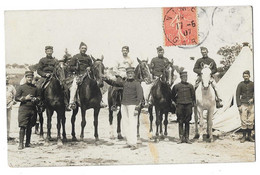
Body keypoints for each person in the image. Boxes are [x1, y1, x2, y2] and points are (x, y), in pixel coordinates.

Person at [102, 67, 143, 150]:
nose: (130, 75)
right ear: (126, 75)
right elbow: (114, 83)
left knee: (132, 124)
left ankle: (134, 143)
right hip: (124, 105)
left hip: (132, 105)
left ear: (134, 74)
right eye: (128, 74)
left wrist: (137, 108)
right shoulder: (124, 83)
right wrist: (106, 79)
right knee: (125, 124)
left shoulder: (137, 84)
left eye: (131, 73)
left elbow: (140, 96)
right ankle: (128, 142)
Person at [67, 42, 106, 109]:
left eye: (85, 48)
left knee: (97, 83)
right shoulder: (75, 57)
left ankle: (100, 101)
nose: (83, 49)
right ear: (79, 48)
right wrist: (76, 68)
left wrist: (90, 68)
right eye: (82, 48)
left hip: (87, 75)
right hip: (78, 75)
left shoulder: (88, 57)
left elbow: (92, 66)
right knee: (74, 86)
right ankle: (72, 102)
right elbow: (69, 67)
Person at [37, 46, 71, 111]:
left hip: (54, 76)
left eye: (50, 51)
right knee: (38, 87)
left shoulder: (55, 61)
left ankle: (66, 103)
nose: (49, 52)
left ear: (52, 52)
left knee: (65, 87)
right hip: (45, 77)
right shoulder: (42, 60)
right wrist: (45, 74)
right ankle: (41, 103)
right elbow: (39, 70)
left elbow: (59, 69)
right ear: (45, 52)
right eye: (48, 51)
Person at [15, 71, 40, 150]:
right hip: (24, 109)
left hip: (33, 109)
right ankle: (20, 144)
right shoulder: (21, 87)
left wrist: (36, 99)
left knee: (30, 126)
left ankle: (27, 143)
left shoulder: (35, 88)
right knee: (23, 126)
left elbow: (39, 98)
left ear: (33, 78)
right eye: (28, 77)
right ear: (25, 78)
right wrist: (25, 98)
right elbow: (16, 98)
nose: (30, 79)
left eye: (31, 77)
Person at [172, 71, 195, 144]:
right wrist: (176, 102)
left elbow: (193, 96)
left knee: (187, 121)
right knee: (180, 121)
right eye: (183, 77)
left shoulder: (190, 86)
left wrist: (192, 104)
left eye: (186, 77)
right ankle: (181, 138)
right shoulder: (176, 86)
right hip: (180, 105)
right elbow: (172, 96)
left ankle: (187, 138)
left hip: (188, 105)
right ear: (181, 77)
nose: (185, 78)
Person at [110, 46, 135, 111]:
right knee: (116, 86)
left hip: (128, 74)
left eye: (126, 50)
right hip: (119, 74)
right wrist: (120, 74)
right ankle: (114, 104)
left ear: (128, 51)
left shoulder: (131, 59)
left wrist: (128, 74)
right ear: (121, 51)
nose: (125, 52)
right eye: (123, 50)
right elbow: (115, 69)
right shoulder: (118, 59)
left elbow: (133, 68)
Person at [236, 70, 254, 143]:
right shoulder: (240, 84)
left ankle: (249, 136)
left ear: (249, 76)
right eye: (244, 76)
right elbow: (237, 95)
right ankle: (243, 136)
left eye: (247, 76)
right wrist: (239, 105)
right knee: (243, 120)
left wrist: (253, 98)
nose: (245, 77)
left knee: (250, 120)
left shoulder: (253, 84)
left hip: (252, 105)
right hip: (243, 104)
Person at [6, 75, 16, 141]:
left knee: (7, 120)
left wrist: (13, 101)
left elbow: (15, 95)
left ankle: (7, 135)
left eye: (7, 78)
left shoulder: (11, 87)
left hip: (8, 105)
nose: (6, 79)